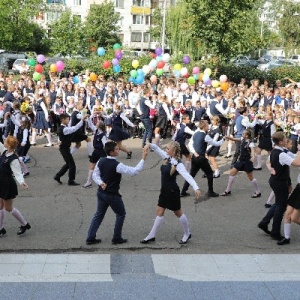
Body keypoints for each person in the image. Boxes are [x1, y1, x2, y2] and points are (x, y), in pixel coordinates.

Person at [86, 141, 148, 245]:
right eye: (116, 149)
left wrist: (101, 183)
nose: (118, 150)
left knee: (99, 214)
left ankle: (90, 237)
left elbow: (95, 175)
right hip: (112, 195)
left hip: (101, 193)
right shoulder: (117, 165)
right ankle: (116, 237)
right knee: (121, 214)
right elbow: (134, 171)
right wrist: (143, 159)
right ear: (111, 152)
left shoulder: (101, 160)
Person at [140, 141, 201, 245]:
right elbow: (157, 149)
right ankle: (152, 235)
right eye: (166, 148)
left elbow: (187, 176)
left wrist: (196, 187)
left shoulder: (178, 164)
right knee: (159, 211)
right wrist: (149, 145)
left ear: (174, 151)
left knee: (178, 213)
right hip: (164, 191)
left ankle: (187, 233)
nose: (166, 150)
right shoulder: (166, 157)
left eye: (168, 149)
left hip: (172, 192)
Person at [258, 131, 300, 241]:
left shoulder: (278, 151)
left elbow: (268, 162)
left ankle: (264, 222)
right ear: (281, 142)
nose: (287, 140)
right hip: (279, 182)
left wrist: (271, 168)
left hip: (278, 180)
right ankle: (275, 231)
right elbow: (296, 163)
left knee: (278, 204)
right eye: (285, 139)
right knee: (281, 207)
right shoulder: (281, 154)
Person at [180, 120, 222, 198]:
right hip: (201, 158)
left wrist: (194, 152)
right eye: (207, 125)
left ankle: (183, 191)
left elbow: (189, 144)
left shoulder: (195, 134)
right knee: (209, 173)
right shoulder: (205, 136)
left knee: (191, 174)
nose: (208, 126)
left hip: (195, 157)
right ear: (204, 127)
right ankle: (210, 191)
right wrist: (223, 139)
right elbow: (215, 143)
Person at [0, 136, 30, 236]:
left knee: (8, 208)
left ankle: (25, 224)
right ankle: (0, 229)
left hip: (8, 184)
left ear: (8, 145)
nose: (3, 141)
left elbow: (17, 172)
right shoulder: (5, 152)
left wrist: (22, 182)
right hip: (1, 183)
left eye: (5, 141)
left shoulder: (14, 159)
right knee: (0, 206)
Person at [220, 129, 261, 198]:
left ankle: (258, 191)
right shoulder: (242, 139)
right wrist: (228, 137)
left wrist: (253, 156)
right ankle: (227, 190)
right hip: (241, 160)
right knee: (232, 173)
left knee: (250, 177)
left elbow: (252, 151)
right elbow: (234, 139)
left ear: (247, 136)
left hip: (247, 161)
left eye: (243, 134)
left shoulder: (250, 143)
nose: (242, 134)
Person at [54, 113, 89, 186]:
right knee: (72, 165)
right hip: (64, 149)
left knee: (68, 164)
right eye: (67, 119)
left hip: (64, 148)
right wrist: (82, 120)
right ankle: (71, 180)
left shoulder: (62, 128)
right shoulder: (64, 129)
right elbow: (74, 128)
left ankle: (58, 176)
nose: (68, 120)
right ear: (63, 120)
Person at [82, 118, 107, 188]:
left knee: (103, 167)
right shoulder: (96, 131)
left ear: (100, 126)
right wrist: (88, 118)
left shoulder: (103, 135)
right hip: (95, 151)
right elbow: (90, 124)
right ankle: (89, 182)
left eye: (98, 123)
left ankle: (107, 180)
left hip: (101, 152)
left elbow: (105, 145)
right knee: (91, 166)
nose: (96, 123)